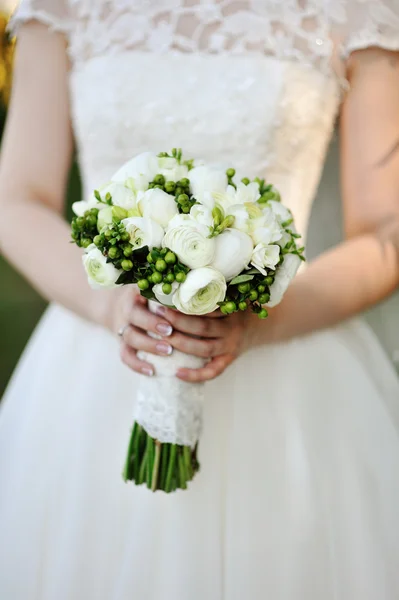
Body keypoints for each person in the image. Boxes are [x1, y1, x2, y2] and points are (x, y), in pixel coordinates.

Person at [0, 1, 399, 598]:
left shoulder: (359, 9)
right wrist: (114, 306)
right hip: (94, 368)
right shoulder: (61, 7)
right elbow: (17, 199)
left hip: (292, 371)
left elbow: (385, 232)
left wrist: (259, 321)